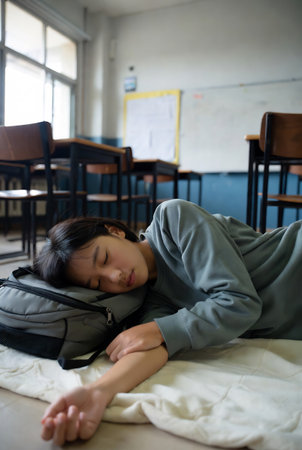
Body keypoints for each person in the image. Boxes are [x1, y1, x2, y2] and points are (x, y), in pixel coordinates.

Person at [35, 199, 302, 445]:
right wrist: (98, 392)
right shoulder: (152, 296)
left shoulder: (173, 219)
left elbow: (240, 304)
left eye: (104, 258)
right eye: (97, 283)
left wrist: (158, 329)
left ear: (113, 231)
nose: (114, 276)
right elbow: (154, 347)